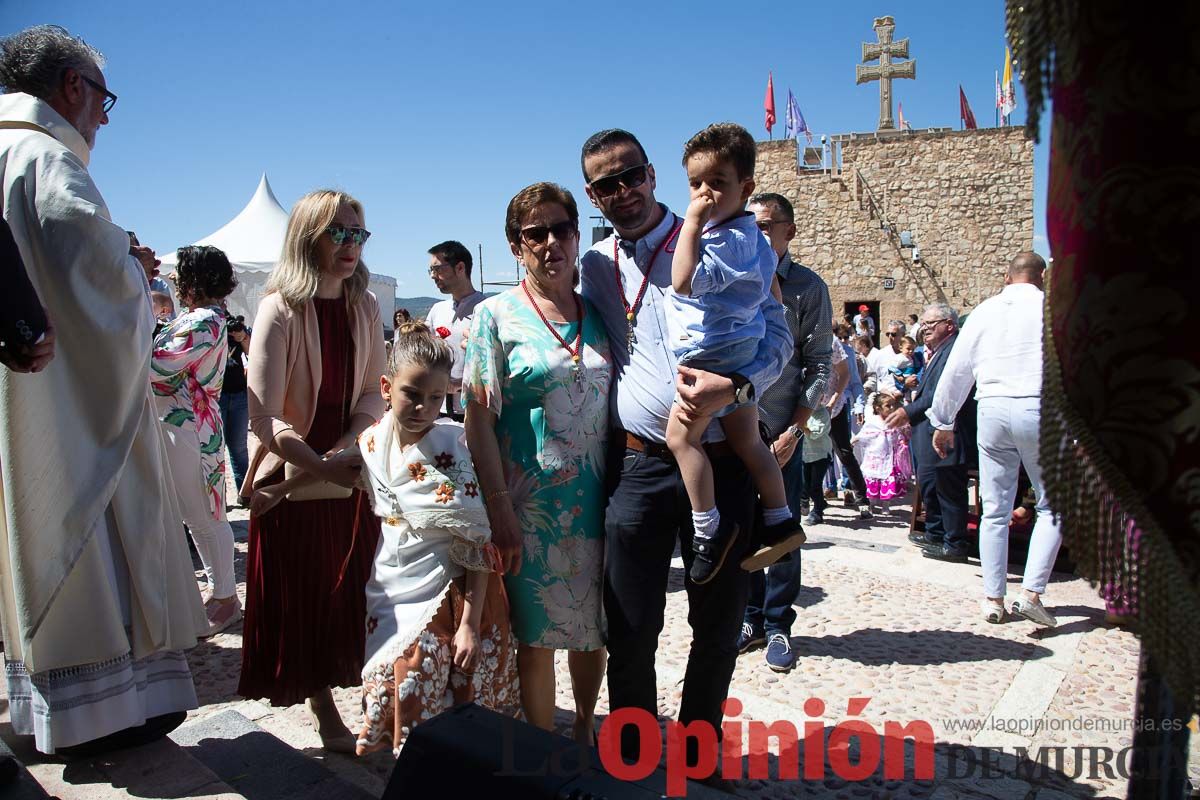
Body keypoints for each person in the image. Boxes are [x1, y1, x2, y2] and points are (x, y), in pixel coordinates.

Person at [0, 24, 205, 755]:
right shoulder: (46, 156)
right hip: (73, 407)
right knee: (95, 554)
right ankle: (105, 715)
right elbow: (91, 269)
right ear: (72, 89)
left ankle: (51, 712)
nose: (107, 119)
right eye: (104, 98)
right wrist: (130, 260)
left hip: (29, 402)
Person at [578, 128, 790, 777]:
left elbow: (780, 336)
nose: (622, 192)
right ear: (594, 195)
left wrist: (740, 384)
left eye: (631, 176)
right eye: (606, 185)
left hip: (722, 462)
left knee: (719, 625)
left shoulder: (724, 236)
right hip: (639, 462)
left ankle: (700, 757)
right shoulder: (594, 264)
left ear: (651, 175)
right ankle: (634, 759)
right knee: (630, 628)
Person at [253, 322, 518, 756]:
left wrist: (470, 623)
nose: (424, 407)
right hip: (394, 584)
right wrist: (279, 490)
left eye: (435, 398)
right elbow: (335, 465)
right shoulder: (375, 442)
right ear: (386, 387)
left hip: (452, 594)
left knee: (446, 695)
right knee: (404, 686)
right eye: (412, 394)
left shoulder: (452, 449)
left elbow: (476, 540)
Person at [237, 189, 386, 752]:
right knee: (308, 598)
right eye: (339, 233)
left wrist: (347, 450)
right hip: (292, 478)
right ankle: (325, 712)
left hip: (350, 466)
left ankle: (377, 702)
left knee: (359, 593)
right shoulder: (280, 306)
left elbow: (373, 393)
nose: (350, 245)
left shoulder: (365, 305)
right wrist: (317, 462)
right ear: (308, 238)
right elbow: (264, 416)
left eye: (358, 234)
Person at [463, 182, 609, 746]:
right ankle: (546, 754)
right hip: (530, 509)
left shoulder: (600, 314)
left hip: (598, 502)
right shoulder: (494, 317)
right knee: (539, 635)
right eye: (535, 233)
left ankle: (585, 730)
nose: (551, 242)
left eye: (561, 229)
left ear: (577, 236)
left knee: (593, 630)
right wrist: (498, 507)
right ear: (515, 245)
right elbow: (478, 417)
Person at [666, 124, 803, 584]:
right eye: (695, 184)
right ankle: (781, 519)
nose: (704, 194)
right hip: (736, 350)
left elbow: (682, 280)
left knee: (682, 440)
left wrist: (690, 223)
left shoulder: (724, 241)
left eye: (716, 183)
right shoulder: (755, 240)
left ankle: (708, 529)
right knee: (748, 441)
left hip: (714, 356)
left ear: (745, 188)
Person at [929, 252, 1061, 626]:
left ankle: (993, 598)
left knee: (995, 509)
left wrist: (943, 420)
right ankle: (1031, 592)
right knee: (1052, 506)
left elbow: (957, 370)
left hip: (991, 407)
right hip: (1040, 406)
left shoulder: (985, 310)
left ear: (1007, 276)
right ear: (1042, 277)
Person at [737, 191, 832, 673]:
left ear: (789, 232)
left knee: (783, 529)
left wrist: (795, 428)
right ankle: (749, 619)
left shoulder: (808, 288)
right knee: (742, 530)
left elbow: (818, 365)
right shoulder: (734, 280)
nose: (758, 233)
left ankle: (778, 624)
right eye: (751, 224)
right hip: (736, 434)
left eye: (768, 225)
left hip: (782, 436)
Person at [151, 245, 242, 634]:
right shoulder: (204, 317)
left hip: (188, 423)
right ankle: (219, 593)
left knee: (203, 515)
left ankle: (225, 597)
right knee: (199, 515)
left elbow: (157, 366)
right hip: (185, 422)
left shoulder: (203, 320)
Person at [885, 303, 977, 561]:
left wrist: (907, 412)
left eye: (931, 324)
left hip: (948, 432)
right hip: (929, 430)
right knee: (931, 485)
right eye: (923, 324)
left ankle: (955, 543)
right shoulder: (939, 351)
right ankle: (936, 533)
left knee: (949, 489)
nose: (924, 329)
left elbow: (939, 394)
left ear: (949, 325)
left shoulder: (953, 351)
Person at [425, 241, 485, 421]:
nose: (433, 276)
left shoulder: (486, 309)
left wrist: (461, 384)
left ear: (460, 268)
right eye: (431, 271)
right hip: (437, 410)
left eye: (438, 269)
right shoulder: (437, 310)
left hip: (474, 411)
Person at [852, 393, 913, 515]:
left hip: (890, 457)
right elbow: (865, 433)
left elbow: (904, 432)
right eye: (888, 406)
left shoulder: (895, 420)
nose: (891, 408)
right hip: (875, 457)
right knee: (872, 481)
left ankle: (886, 505)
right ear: (878, 408)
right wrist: (854, 440)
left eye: (893, 405)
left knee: (888, 481)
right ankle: (870, 504)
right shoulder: (873, 422)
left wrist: (904, 435)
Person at [220, 305, 251, 498]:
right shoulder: (206, 329)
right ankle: (218, 498)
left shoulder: (235, 331)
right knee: (215, 449)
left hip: (238, 394)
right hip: (216, 395)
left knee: (239, 446)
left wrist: (243, 337)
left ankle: (244, 492)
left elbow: (252, 353)